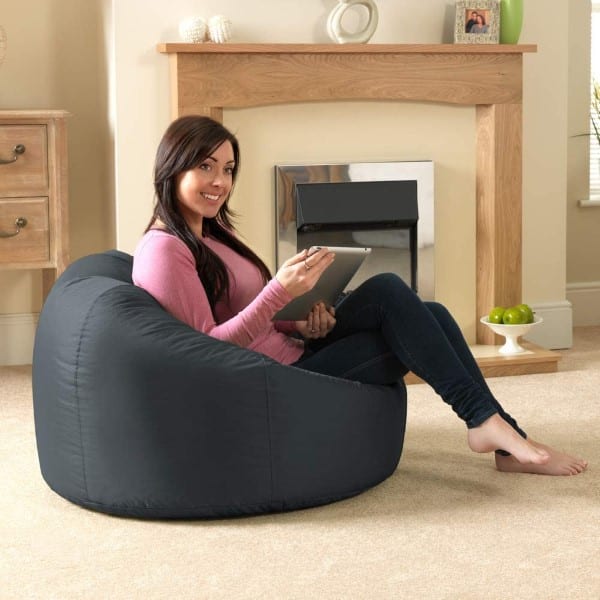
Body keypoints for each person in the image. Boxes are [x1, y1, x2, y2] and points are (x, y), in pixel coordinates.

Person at [133, 115, 588, 477]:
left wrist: (301, 318)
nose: (219, 182)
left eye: (228, 169)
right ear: (173, 166)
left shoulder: (212, 232)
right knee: (398, 301)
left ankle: (497, 430)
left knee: (426, 309)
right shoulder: (164, 251)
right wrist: (278, 293)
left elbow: (254, 316)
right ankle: (485, 425)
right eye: (205, 167)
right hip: (276, 378)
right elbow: (204, 350)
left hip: (293, 348)